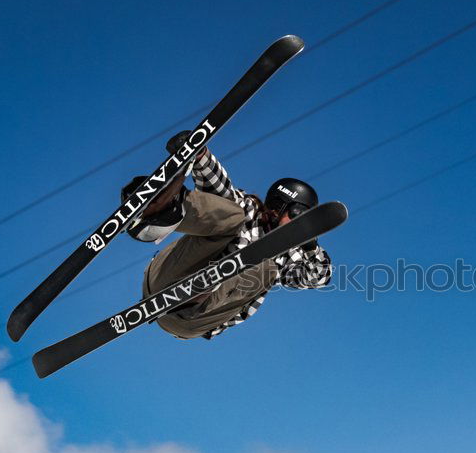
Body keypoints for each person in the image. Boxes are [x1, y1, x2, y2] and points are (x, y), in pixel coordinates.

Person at [119, 135, 332, 340]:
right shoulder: (248, 209)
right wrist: (200, 154)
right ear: (281, 206)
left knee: (266, 267)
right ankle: (153, 213)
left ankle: (194, 297)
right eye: (298, 215)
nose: (298, 224)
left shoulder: (287, 256)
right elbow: (219, 188)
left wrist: (309, 240)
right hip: (164, 276)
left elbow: (319, 277)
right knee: (233, 214)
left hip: (191, 320)